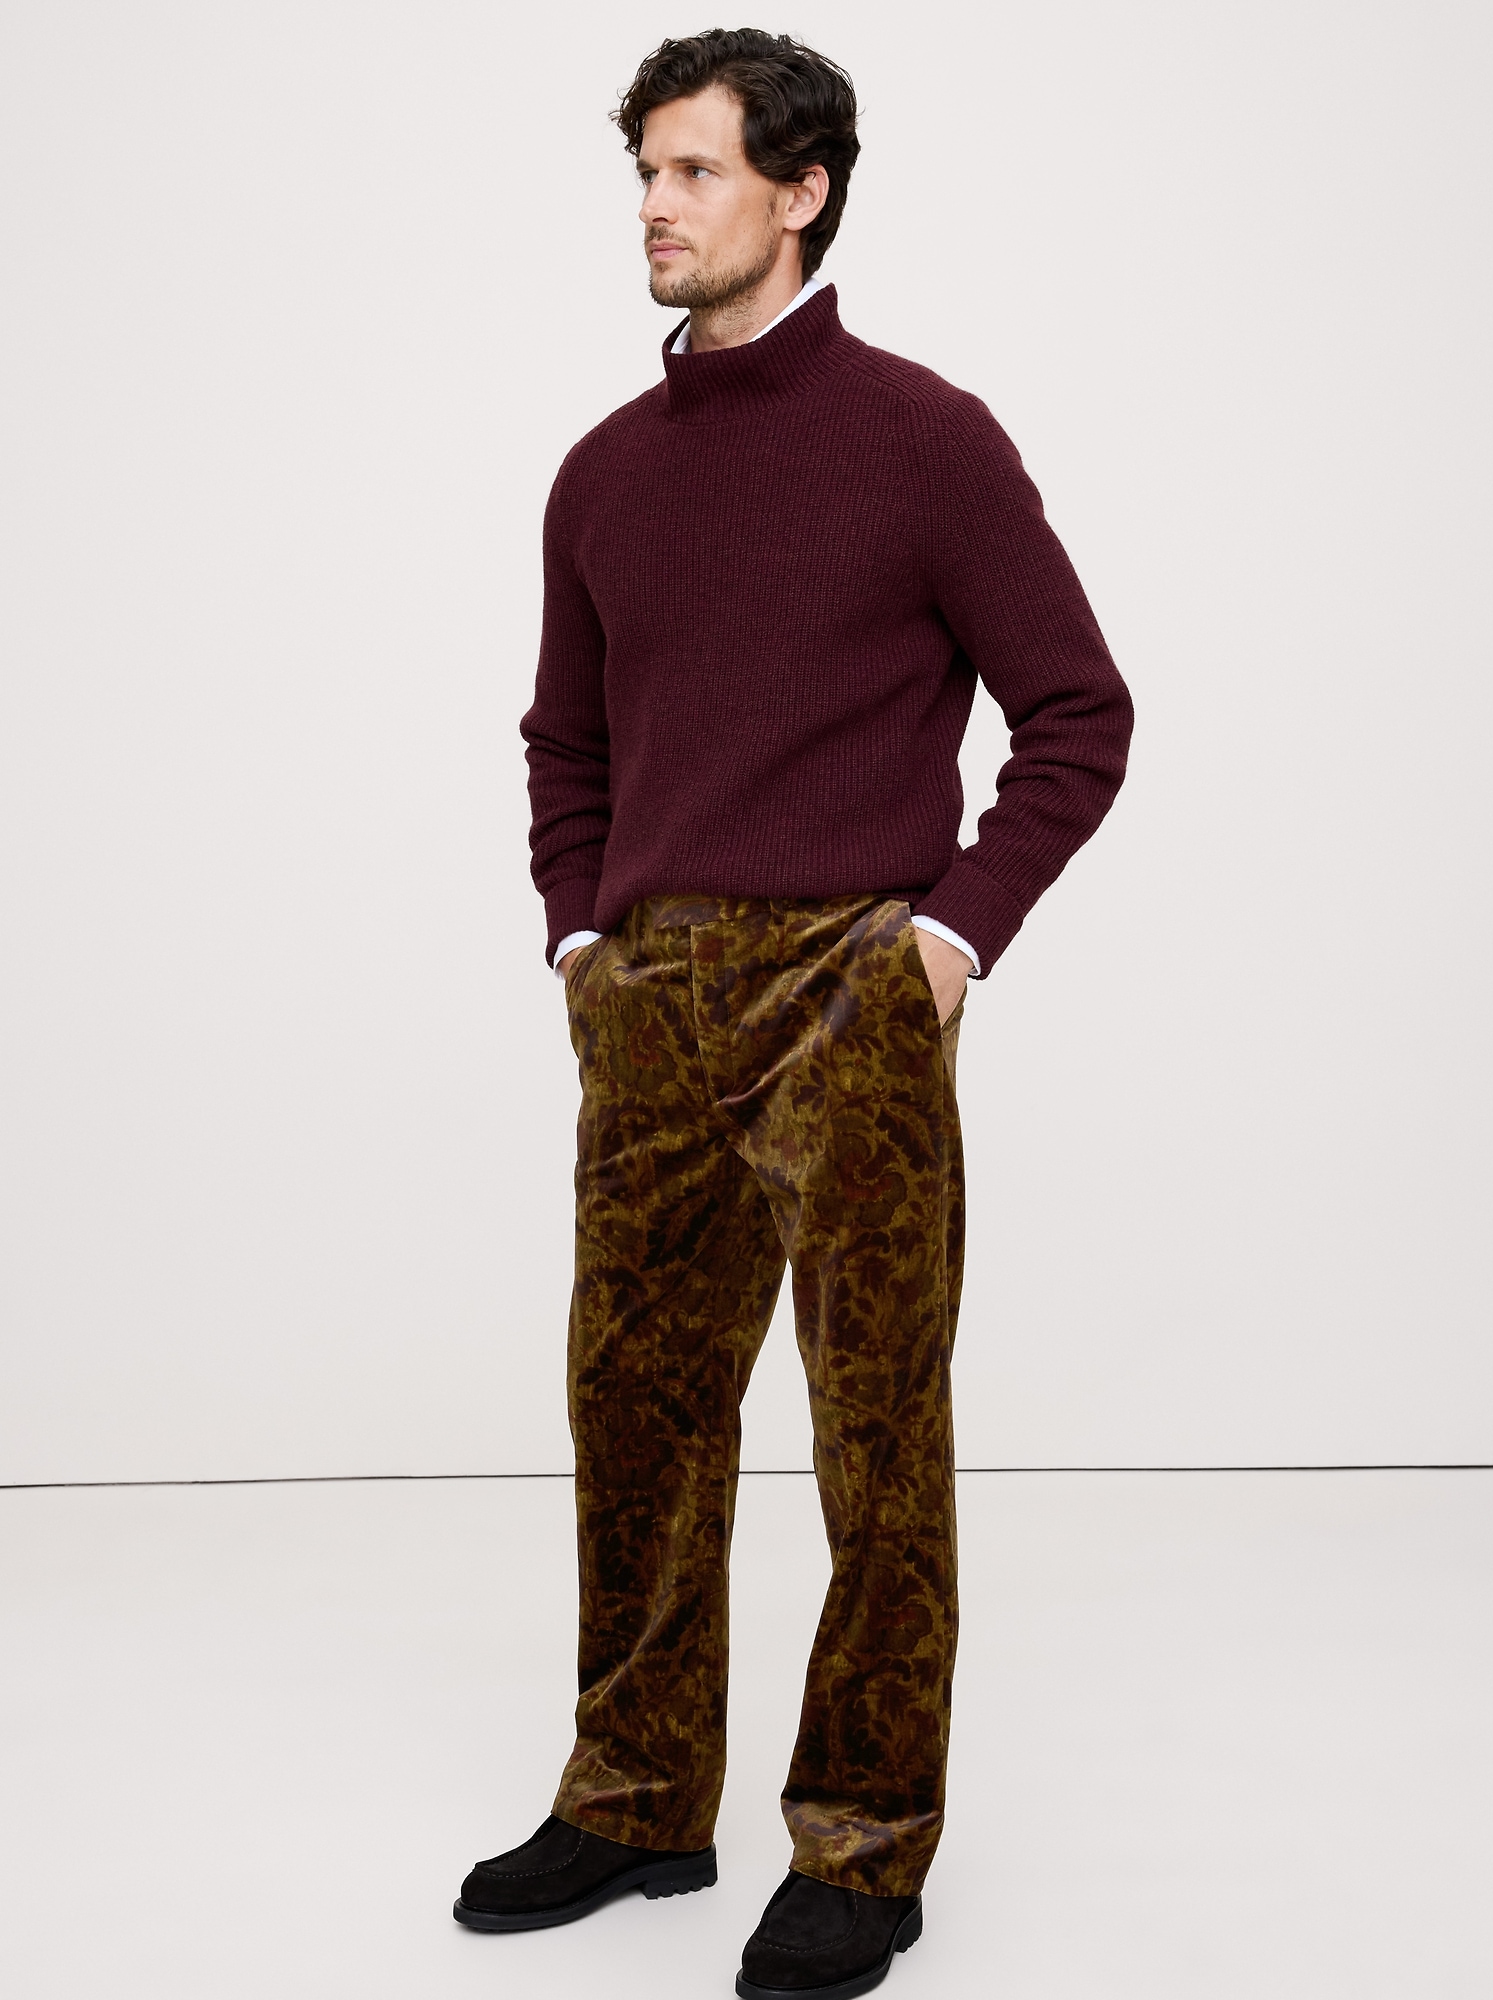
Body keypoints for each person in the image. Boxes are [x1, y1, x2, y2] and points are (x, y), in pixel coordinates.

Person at [453, 27, 1132, 1997]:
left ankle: (862, 1842)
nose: (654, 209)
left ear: (802, 187)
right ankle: (638, 1796)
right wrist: (581, 946)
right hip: (652, 995)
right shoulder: (604, 473)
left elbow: (1079, 713)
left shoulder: (925, 440)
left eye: (693, 171)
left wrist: (949, 939)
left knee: (873, 1428)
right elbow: (565, 740)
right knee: (635, 1410)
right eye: (643, 174)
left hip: (855, 980)